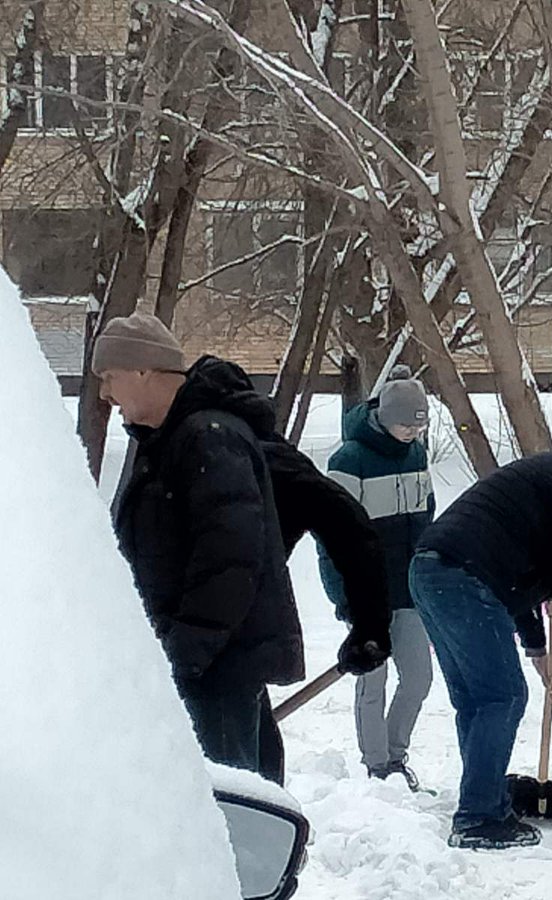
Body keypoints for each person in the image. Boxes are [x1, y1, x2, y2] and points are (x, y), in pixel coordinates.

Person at [96, 312, 304, 778]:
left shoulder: (208, 438)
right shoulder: (170, 441)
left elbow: (230, 560)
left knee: (228, 808)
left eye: (110, 378)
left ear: (143, 370)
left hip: (216, 668)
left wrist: (183, 653)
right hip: (206, 663)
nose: (106, 395)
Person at [408, 431, 552, 850]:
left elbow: (515, 587)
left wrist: (538, 651)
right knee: (502, 698)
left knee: (476, 699)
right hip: (463, 577)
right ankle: (478, 816)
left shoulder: (542, 479)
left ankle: (484, 798)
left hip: (429, 572)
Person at [319, 366, 436, 789]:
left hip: (409, 590)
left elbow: (427, 516)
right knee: (374, 679)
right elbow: (332, 533)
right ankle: (376, 764)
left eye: (418, 426)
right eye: (405, 424)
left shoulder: (417, 454)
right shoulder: (349, 460)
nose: (411, 433)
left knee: (419, 677)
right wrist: (343, 594)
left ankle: (395, 752)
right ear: (386, 417)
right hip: (367, 593)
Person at [259, 431, 394, 784]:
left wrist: (368, 625)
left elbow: (350, 531)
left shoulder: (261, 459)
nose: (109, 398)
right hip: (212, 642)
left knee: (242, 761)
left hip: (232, 644)